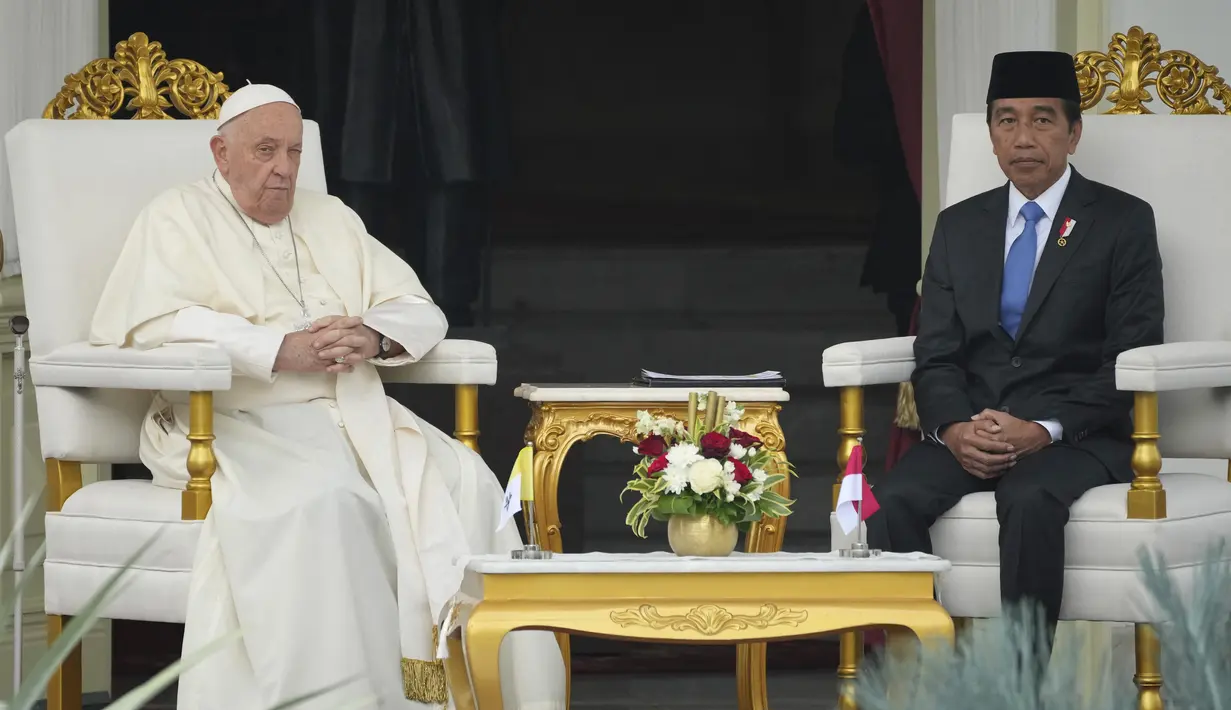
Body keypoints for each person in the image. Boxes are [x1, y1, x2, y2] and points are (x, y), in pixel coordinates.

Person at [89, 84, 566, 710]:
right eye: (264, 150)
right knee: (331, 503)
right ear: (221, 152)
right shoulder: (177, 216)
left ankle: (484, 698)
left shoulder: (331, 216)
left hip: (355, 411)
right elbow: (153, 324)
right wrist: (273, 349)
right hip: (233, 421)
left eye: (292, 151)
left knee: (469, 482)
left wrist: (371, 334)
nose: (282, 168)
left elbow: (419, 308)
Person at [865, 51, 1165, 639]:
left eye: (1042, 120)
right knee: (892, 499)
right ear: (991, 135)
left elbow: (1129, 357)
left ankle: (1021, 690)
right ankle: (942, 680)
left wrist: (1045, 429)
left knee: (1028, 499)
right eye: (1007, 121)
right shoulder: (959, 225)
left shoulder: (1122, 221)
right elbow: (938, 353)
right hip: (974, 429)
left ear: (1074, 133)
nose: (1023, 138)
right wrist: (954, 429)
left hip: (1076, 435)